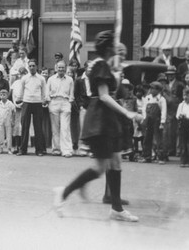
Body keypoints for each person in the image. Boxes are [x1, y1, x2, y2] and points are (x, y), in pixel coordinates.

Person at [53, 30, 143, 222]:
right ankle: (64, 192)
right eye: (114, 46)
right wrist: (127, 112)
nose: (117, 50)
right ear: (109, 47)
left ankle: (116, 209)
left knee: (115, 161)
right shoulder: (101, 65)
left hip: (107, 119)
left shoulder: (106, 66)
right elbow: (103, 95)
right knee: (101, 167)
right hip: (100, 119)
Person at [15, 59, 47, 156]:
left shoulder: (41, 78)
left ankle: (39, 150)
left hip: (37, 103)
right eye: (30, 66)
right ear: (28, 67)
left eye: (33, 66)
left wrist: (44, 100)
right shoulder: (24, 78)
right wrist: (19, 99)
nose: (32, 67)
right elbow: (21, 90)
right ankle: (23, 149)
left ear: (36, 67)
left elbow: (44, 92)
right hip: (26, 103)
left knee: (38, 127)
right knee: (25, 126)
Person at [46, 60, 75, 158]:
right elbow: (47, 93)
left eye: (63, 67)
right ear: (56, 68)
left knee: (65, 127)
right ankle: (56, 149)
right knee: (55, 128)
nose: (61, 69)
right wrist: (49, 102)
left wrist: (69, 103)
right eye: (59, 67)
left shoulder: (70, 79)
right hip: (54, 102)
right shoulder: (50, 79)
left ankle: (66, 150)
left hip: (65, 103)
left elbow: (72, 94)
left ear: (66, 68)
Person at [141, 81, 168, 164]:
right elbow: (144, 108)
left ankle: (161, 157)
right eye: (151, 88)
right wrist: (144, 118)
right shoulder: (148, 98)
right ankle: (147, 156)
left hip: (157, 120)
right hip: (148, 120)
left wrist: (162, 122)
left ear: (158, 90)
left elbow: (164, 111)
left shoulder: (161, 99)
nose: (151, 90)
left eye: (153, 89)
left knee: (158, 139)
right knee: (147, 138)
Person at [10, 67, 27, 154]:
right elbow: (12, 94)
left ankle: (22, 146)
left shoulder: (27, 82)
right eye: (20, 74)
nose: (21, 75)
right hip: (15, 107)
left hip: (25, 106)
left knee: (22, 126)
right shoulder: (16, 83)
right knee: (16, 127)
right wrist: (15, 104)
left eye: (23, 73)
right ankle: (16, 146)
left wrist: (22, 104)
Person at [0, 89, 15, 154]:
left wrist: (12, 120)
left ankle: (9, 148)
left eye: (4, 95)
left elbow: (13, 112)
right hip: (1, 120)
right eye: (1, 95)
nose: (2, 96)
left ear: (7, 96)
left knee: (9, 135)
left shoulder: (10, 103)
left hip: (8, 120)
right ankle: (1, 148)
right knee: (0, 134)